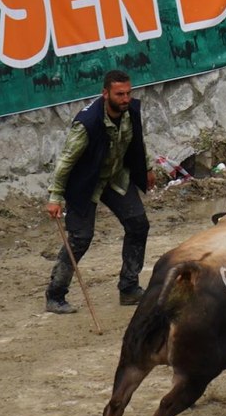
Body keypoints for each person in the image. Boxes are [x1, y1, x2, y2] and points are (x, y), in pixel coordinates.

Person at [44, 69, 156, 314]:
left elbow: (137, 141)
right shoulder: (87, 124)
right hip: (86, 183)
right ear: (106, 94)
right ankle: (55, 295)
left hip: (115, 176)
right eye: (120, 94)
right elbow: (65, 161)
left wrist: (146, 167)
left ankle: (129, 287)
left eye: (128, 93)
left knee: (138, 224)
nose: (125, 98)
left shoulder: (131, 111)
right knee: (80, 238)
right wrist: (55, 197)